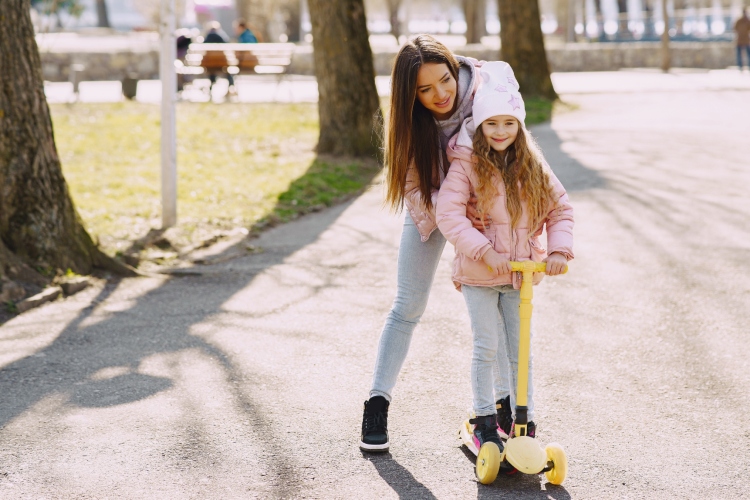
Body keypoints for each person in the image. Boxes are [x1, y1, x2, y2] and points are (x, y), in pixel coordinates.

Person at [359, 35, 511, 453]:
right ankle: (377, 403)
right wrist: (446, 219)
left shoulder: (486, 93)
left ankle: (504, 407)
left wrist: (482, 231)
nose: (440, 94)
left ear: (454, 70)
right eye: (424, 90)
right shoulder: (409, 122)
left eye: (444, 81)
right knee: (407, 304)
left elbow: (516, 151)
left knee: (496, 303)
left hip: (481, 213)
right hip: (430, 207)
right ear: (411, 95)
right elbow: (412, 184)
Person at [435, 61, 574, 451]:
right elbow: (448, 213)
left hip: (520, 275)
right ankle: (484, 419)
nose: (500, 132)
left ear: (520, 126)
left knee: (520, 348)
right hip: (481, 273)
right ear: (480, 125)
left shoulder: (532, 164)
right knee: (487, 346)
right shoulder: (466, 163)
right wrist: (483, 250)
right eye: (492, 124)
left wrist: (559, 249)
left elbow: (559, 209)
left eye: (508, 123)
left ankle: (522, 418)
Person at [203, 21, 235, 94]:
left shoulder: (207, 37)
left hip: (209, 64)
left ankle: (212, 83)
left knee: (211, 68)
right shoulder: (222, 36)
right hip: (222, 63)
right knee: (228, 69)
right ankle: (231, 85)